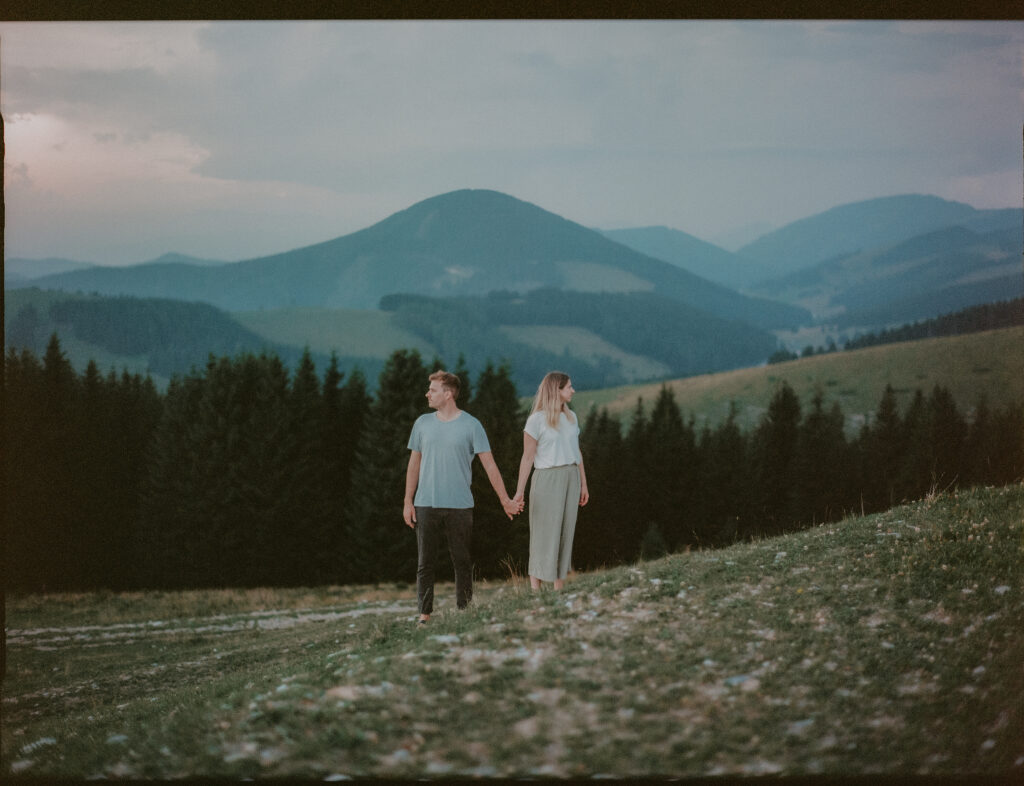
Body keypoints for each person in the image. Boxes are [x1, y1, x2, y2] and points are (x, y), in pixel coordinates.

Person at [404, 370, 522, 625]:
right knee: (425, 563)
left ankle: (464, 612)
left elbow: (490, 466)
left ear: (448, 394)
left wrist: (505, 500)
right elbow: (414, 464)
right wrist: (407, 501)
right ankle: (424, 614)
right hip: (426, 503)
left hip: (460, 505)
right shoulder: (422, 424)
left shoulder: (471, 425)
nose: (428, 393)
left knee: (462, 561)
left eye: (432, 389)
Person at [512, 372, 589, 591]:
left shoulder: (571, 417)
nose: (572, 390)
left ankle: (558, 587)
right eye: (568, 387)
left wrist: (584, 483)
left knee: (566, 530)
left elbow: (577, 452)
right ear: (556, 390)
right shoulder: (536, 420)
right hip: (546, 478)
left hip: (571, 476)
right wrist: (519, 492)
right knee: (543, 531)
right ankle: (535, 589)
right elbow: (527, 457)